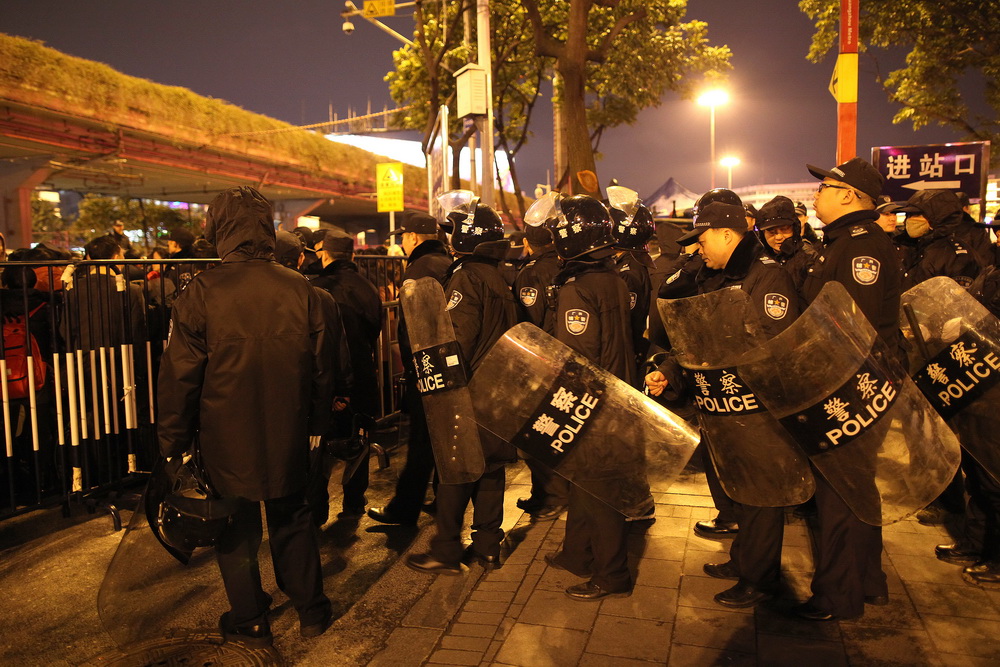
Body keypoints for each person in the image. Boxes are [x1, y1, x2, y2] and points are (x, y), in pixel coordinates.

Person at [157, 186, 335, 647]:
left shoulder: (201, 291)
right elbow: (322, 371)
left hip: (223, 432)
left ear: (220, 230)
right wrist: (317, 426)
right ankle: (311, 609)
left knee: (235, 527)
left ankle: (251, 617)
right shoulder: (302, 288)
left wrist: (172, 444)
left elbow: (179, 379)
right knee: (291, 516)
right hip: (290, 425)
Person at [646, 201, 800, 609]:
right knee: (741, 489)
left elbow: (771, 345)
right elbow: (699, 337)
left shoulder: (766, 275)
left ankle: (760, 578)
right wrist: (669, 370)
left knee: (761, 492)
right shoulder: (718, 275)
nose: (698, 248)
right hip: (724, 402)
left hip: (756, 406)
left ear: (728, 235)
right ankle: (744, 559)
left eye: (703, 238)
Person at [796, 156, 900, 621]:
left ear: (849, 195)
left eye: (825, 186)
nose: (816, 193)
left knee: (840, 491)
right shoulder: (841, 242)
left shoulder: (861, 247)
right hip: (851, 381)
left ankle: (838, 596)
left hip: (850, 384)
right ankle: (867, 581)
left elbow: (851, 330)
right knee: (856, 487)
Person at [406, 194, 518, 574]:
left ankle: (447, 550)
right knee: (490, 469)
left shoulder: (466, 277)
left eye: (453, 231)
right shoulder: (498, 275)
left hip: (470, 389)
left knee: (457, 468)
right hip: (499, 388)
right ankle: (488, 545)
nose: (449, 237)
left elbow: (456, 339)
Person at [539, 194, 638, 601]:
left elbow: (577, 357)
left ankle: (612, 573)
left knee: (598, 488)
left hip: (594, 400)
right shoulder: (614, 278)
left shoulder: (577, 289)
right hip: (620, 392)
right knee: (584, 482)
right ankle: (577, 553)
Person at [368, 213, 453, 526]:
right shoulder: (446, 263)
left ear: (415, 238)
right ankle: (445, 499)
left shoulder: (418, 269)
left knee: (421, 442)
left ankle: (404, 509)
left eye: (403, 236)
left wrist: (413, 368)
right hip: (448, 366)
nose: (401, 241)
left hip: (427, 367)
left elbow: (413, 328)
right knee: (440, 439)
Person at [310, 229, 383, 519]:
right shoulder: (368, 286)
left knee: (322, 443)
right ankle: (354, 501)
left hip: (332, 376)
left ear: (325, 254)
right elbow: (374, 328)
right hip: (364, 372)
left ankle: (318, 506)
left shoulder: (319, 288)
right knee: (358, 438)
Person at [511, 223, 567, 521]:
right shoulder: (564, 265)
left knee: (537, 431)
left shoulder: (531, 273)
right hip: (563, 357)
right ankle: (546, 492)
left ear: (528, 243)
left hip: (539, 360)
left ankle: (551, 495)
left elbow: (529, 322)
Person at [896, 189, 985, 289]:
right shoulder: (903, 246)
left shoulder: (958, 256)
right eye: (909, 215)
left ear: (938, 218)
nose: (910, 220)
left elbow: (960, 300)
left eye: (918, 214)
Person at [755, 195, 818, 291]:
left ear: (795, 228)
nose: (778, 237)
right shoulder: (757, 259)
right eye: (772, 232)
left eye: (784, 230)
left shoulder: (809, 258)